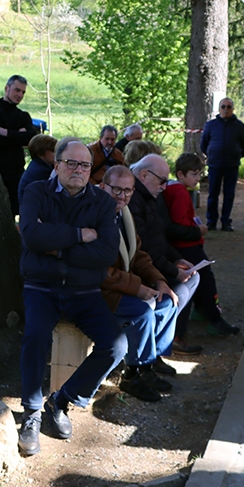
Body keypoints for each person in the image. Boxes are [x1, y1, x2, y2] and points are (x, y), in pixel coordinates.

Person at [17, 138, 126, 456]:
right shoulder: (36, 191)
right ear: (57, 165)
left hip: (84, 292)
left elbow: (106, 253)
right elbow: (31, 236)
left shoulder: (102, 203)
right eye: (71, 163)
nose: (78, 169)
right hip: (42, 287)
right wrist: (80, 235)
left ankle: (61, 400)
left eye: (85, 165)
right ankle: (31, 413)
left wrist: (56, 248)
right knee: (36, 335)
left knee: (116, 345)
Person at [99, 165, 189, 403]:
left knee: (167, 301)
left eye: (128, 191)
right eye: (116, 189)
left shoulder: (124, 215)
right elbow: (99, 272)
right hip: (99, 290)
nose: (122, 196)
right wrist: (138, 288)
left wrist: (159, 280)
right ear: (103, 187)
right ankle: (131, 374)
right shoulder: (94, 217)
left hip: (120, 284)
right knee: (141, 312)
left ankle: (148, 364)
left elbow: (138, 255)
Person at [127, 153, 221, 348]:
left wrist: (177, 259)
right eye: (162, 181)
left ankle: (165, 339)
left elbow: (159, 238)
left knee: (192, 276)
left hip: (153, 264)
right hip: (142, 271)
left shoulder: (149, 196)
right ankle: (164, 340)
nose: (164, 187)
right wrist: (171, 271)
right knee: (181, 286)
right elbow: (143, 250)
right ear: (144, 175)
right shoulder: (135, 200)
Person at [163, 152, 241, 337]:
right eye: (194, 174)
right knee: (206, 279)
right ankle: (215, 319)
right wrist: (198, 230)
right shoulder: (180, 192)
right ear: (180, 174)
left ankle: (200, 309)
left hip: (181, 245)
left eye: (199, 174)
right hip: (187, 245)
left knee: (199, 277)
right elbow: (180, 223)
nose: (197, 178)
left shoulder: (172, 188)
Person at [0, 75, 35, 216]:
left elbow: (30, 140)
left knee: (17, 210)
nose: (20, 95)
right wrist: (18, 136)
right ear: (6, 88)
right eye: (17, 90)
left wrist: (6, 132)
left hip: (17, 172)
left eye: (23, 92)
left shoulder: (23, 116)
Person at [200, 97, 244, 230]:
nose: (226, 109)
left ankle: (226, 222)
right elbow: (203, 144)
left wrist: (236, 155)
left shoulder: (239, 126)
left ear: (233, 109)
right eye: (223, 106)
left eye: (229, 107)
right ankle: (211, 222)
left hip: (231, 165)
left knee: (229, 195)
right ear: (219, 109)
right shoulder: (210, 125)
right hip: (214, 165)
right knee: (213, 194)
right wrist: (212, 155)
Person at [17, 133, 57, 205]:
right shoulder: (41, 172)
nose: (57, 153)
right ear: (40, 154)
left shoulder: (39, 164)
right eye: (53, 150)